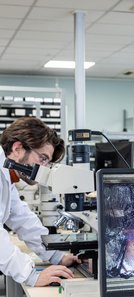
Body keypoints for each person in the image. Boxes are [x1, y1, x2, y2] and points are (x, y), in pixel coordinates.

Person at [0, 117, 80, 287]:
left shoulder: (6, 175)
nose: (43, 168)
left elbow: (22, 219)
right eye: (42, 159)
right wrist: (30, 275)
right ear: (17, 148)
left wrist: (56, 255)